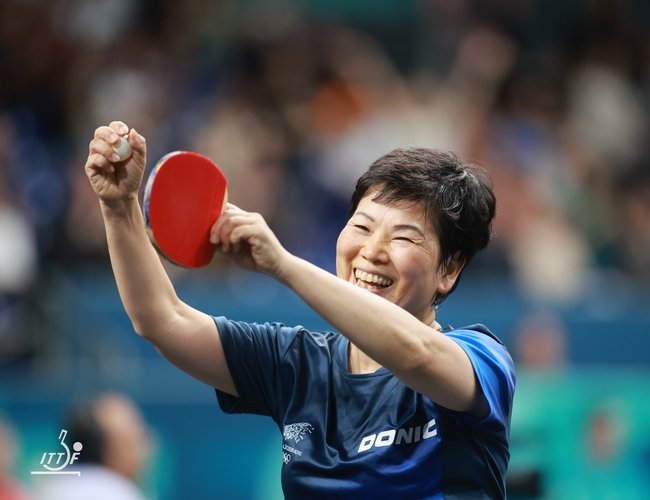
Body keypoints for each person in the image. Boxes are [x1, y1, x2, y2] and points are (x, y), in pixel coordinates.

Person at [85, 121, 515, 499]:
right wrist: (119, 206)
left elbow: (414, 354)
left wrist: (283, 266)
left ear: (450, 269)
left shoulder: (482, 362)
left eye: (403, 238)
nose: (372, 252)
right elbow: (162, 318)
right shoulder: (296, 364)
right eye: (362, 227)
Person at [36, 393, 150, 500]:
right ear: (111, 451)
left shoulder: (51, 489)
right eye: (132, 442)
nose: (144, 452)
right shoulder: (121, 494)